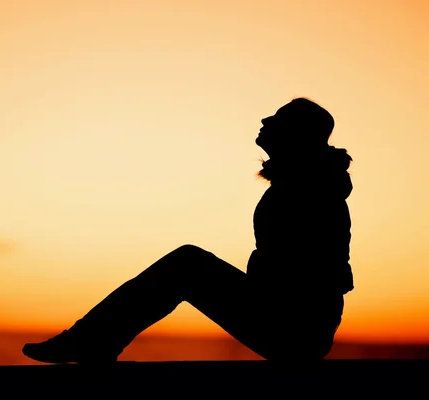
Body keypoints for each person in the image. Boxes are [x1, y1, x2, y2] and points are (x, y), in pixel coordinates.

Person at [22, 97, 354, 363]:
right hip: (292, 325)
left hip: (295, 331)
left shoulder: (310, 189)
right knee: (188, 263)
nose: (266, 121)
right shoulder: (304, 185)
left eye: (277, 119)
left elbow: (313, 278)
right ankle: (89, 341)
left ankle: (87, 342)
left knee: (187, 263)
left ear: (296, 136)